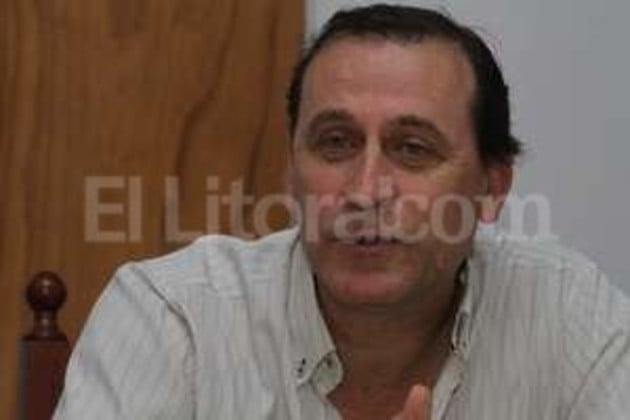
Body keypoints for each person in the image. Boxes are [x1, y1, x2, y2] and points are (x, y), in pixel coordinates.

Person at [54, 4, 629, 419]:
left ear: (492, 186)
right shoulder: (174, 317)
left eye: (413, 149)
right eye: (335, 143)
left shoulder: (566, 314)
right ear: (291, 171)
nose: (365, 189)